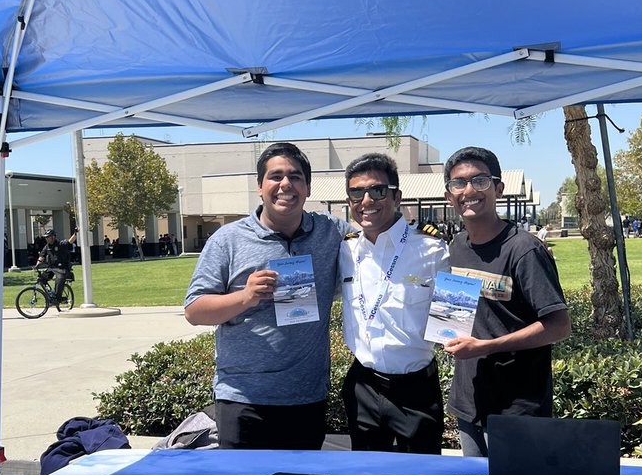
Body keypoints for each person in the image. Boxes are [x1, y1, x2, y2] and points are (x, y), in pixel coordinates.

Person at [184, 141, 344, 450]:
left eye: (296, 177)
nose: (286, 184)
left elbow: (375, 237)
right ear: (260, 187)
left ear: (308, 188)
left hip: (306, 399)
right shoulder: (227, 240)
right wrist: (245, 296)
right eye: (276, 176)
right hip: (243, 400)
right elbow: (194, 310)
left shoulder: (330, 232)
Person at [439, 147, 571, 456]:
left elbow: (559, 325)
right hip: (469, 401)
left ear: (498, 188)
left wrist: (486, 347)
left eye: (480, 181)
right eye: (459, 183)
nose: (469, 190)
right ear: (449, 195)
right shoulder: (456, 247)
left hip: (517, 407)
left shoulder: (525, 250)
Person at [339, 152, 449, 454]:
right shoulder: (345, 251)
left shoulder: (432, 249)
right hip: (363, 385)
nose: (366, 200)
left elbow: (455, 316)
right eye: (356, 193)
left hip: (416, 389)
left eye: (377, 191)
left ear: (396, 196)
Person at [35, 229, 75, 305]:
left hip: (62, 268)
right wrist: (37, 265)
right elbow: (42, 256)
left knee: (59, 279)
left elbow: (70, 241)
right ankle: (51, 294)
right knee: (41, 279)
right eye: (46, 237)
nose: (46, 239)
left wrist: (75, 233)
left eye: (48, 237)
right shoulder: (47, 246)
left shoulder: (60, 244)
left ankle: (57, 298)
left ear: (53, 237)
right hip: (52, 268)